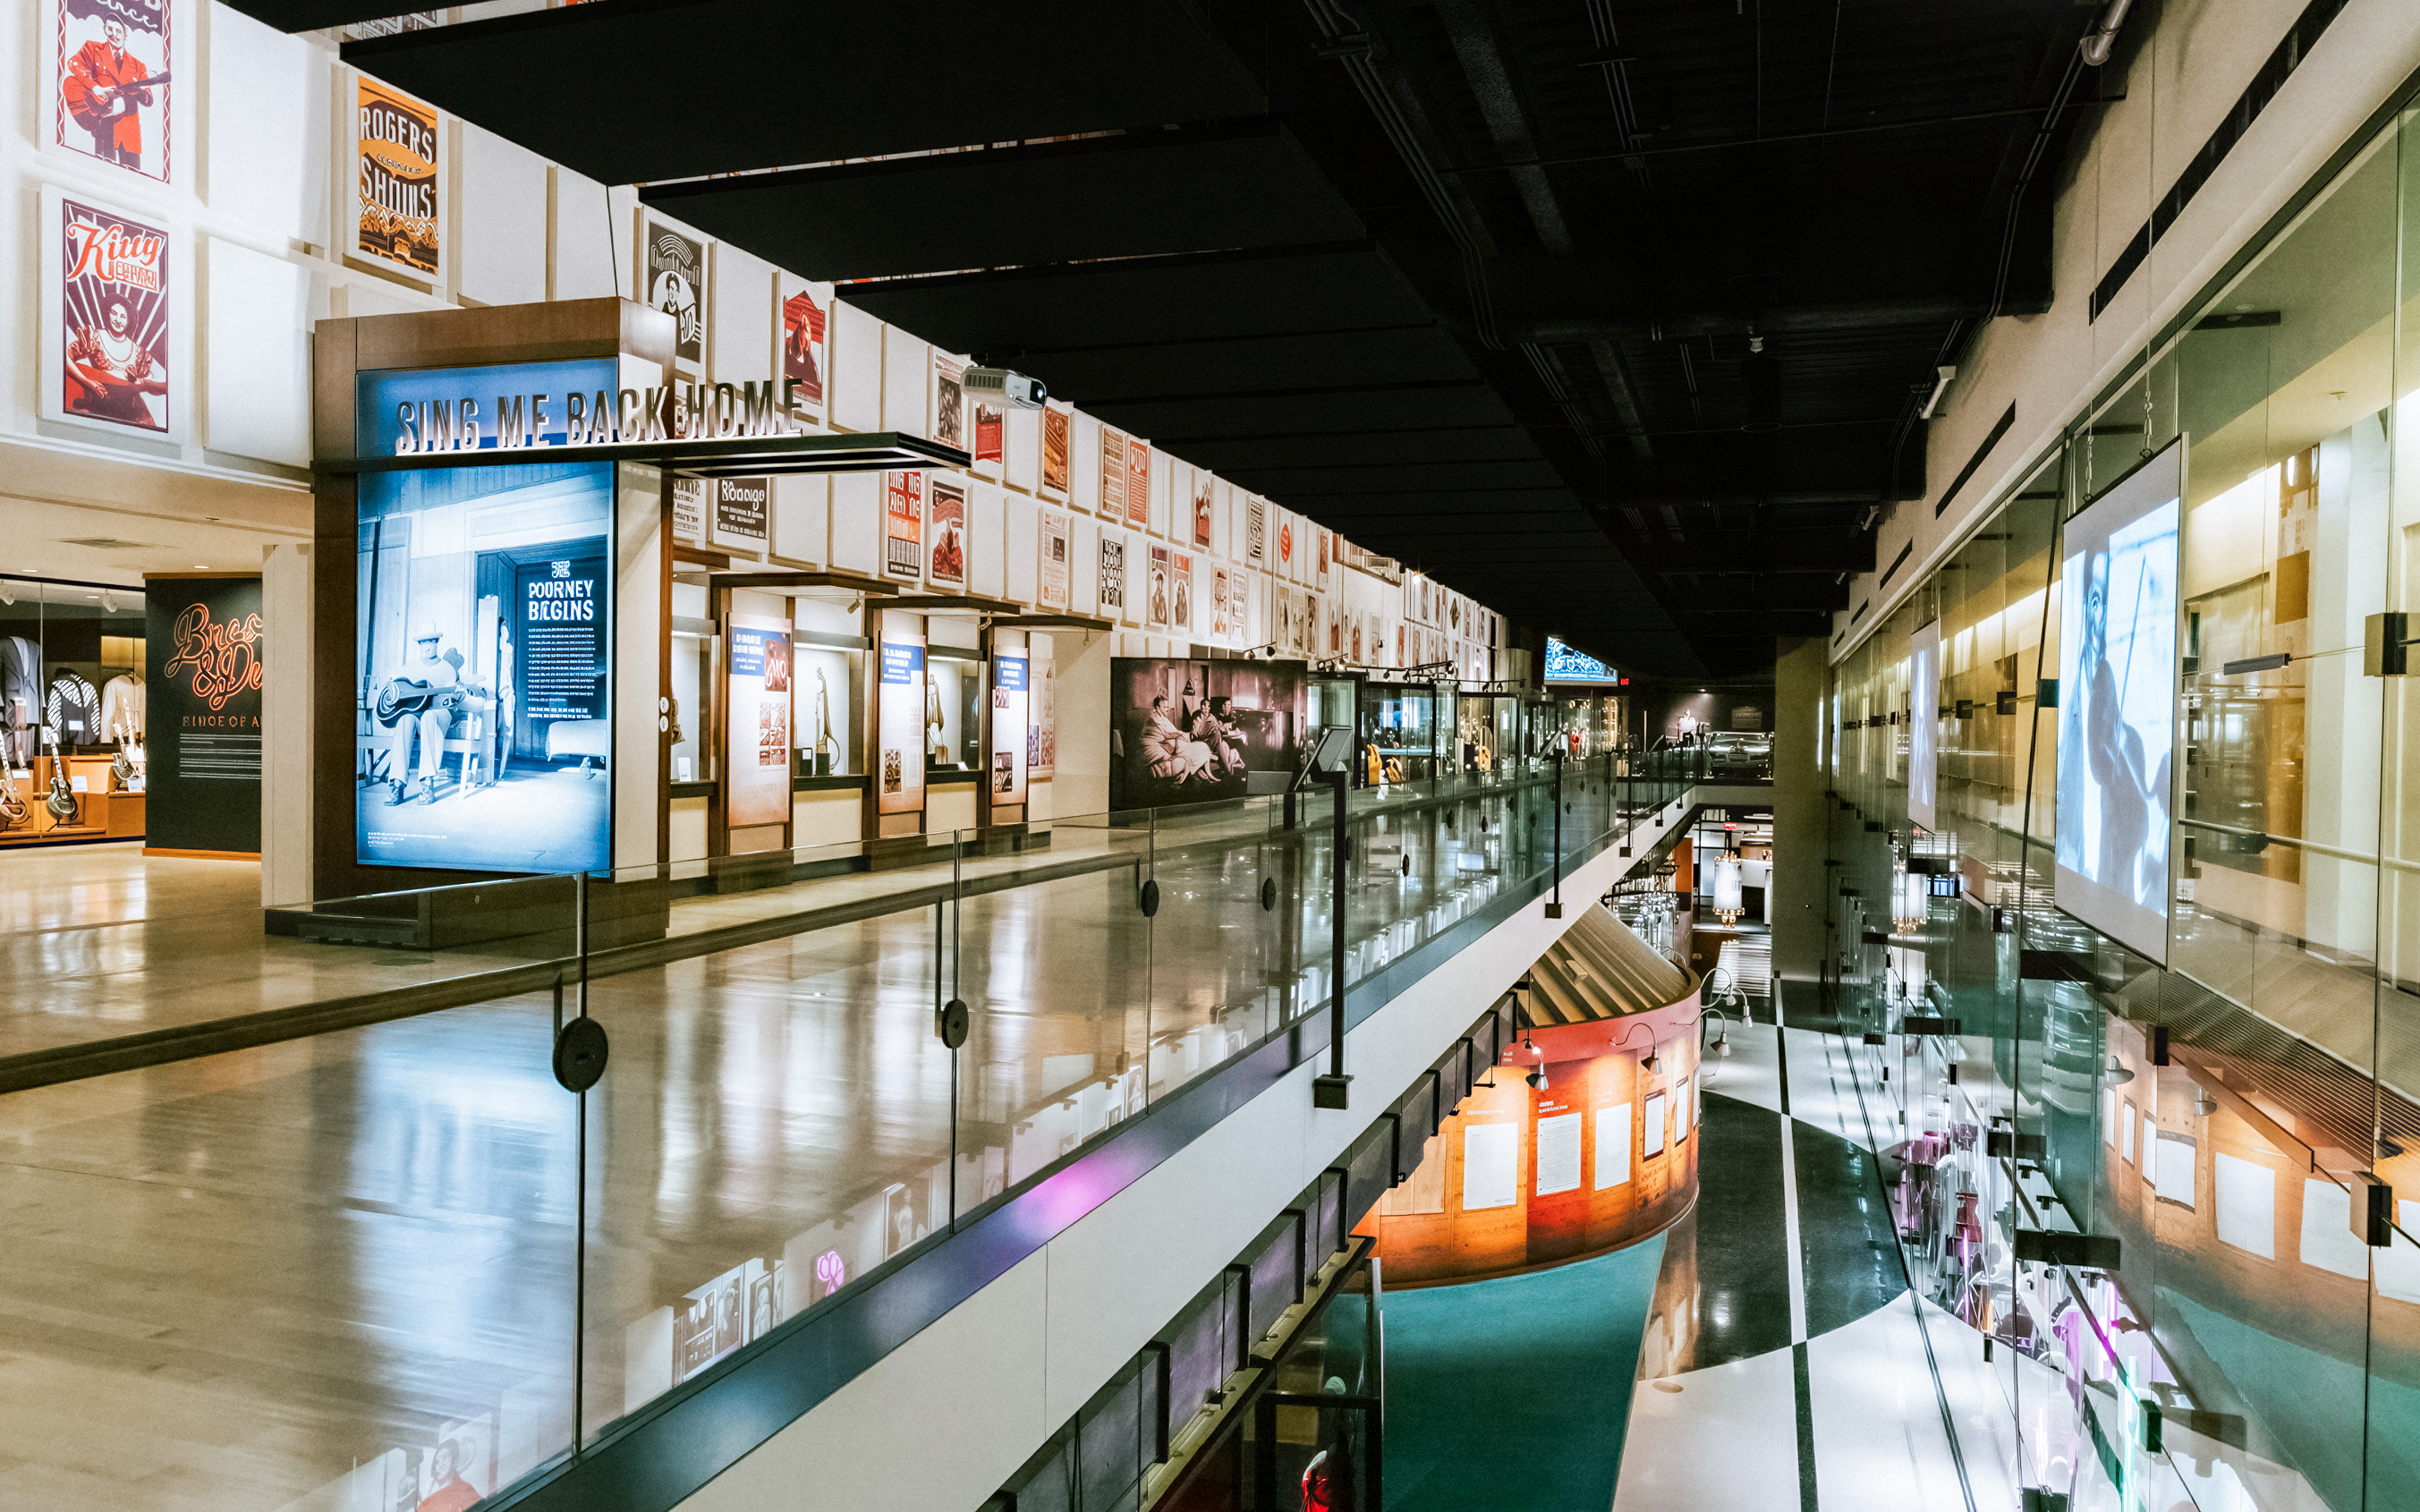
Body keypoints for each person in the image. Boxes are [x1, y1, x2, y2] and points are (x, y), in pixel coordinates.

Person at [382, 624, 463, 805]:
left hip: (439, 715)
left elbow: (452, 700)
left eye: (431, 641)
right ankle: (397, 784)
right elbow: (394, 690)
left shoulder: (447, 668)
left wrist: (456, 695)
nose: (426, 646)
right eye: (422, 642)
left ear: (437, 642)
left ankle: (427, 785)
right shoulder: (408, 668)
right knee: (404, 719)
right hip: (415, 715)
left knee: (429, 716)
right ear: (418, 644)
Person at [65, 18, 153, 170]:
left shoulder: (138, 65)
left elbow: (148, 100)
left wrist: (137, 91)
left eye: (118, 31)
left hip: (128, 128)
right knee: (102, 171)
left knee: (133, 177)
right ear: (104, 29)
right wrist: (94, 87)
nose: (114, 34)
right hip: (105, 123)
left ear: (125, 34)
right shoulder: (93, 49)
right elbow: (75, 64)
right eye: (110, 29)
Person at [66, 298, 166, 426]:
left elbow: (161, 386)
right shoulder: (95, 338)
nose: (118, 320)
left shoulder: (139, 353)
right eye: (114, 314)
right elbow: (64, 359)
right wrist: (86, 381)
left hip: (131, 417)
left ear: (129, 320)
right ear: (107, 314)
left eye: (123, 316)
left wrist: (144, 383)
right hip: (97, 410)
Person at [1142, 695, 1214, 784]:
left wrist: (1184, 735)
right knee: (1195, 751)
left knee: (1199, 748)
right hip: (1156, 751)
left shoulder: (1163, 719)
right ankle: (1194, 773)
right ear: (1157, 707)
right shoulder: (1154, 719)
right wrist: (1183, 734)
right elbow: (1169, 735)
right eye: (1164, 707)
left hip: (1170, 747)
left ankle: (1195, 772)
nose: (1167, 709)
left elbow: (1175, 733)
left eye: (1167, 707)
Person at [412, 1440, 479, 1512]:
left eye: (444, 1458)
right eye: (437, 1462)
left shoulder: (465, 1490)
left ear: (454, 1459)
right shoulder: (427, 1502)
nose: (441, 1465)